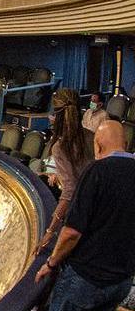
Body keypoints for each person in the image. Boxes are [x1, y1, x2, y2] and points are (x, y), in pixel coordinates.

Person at [22, 120, 135, 311]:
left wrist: (51, 261)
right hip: (118, 282)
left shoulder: (97, 172)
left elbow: (72, 232)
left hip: (84, 277)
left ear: (98, 145)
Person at [39, 89, 93, 250]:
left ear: (56, 116)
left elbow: (70, 189)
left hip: (80, 215)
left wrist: (50, 231)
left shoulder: (61, 147)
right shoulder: (93, 135)